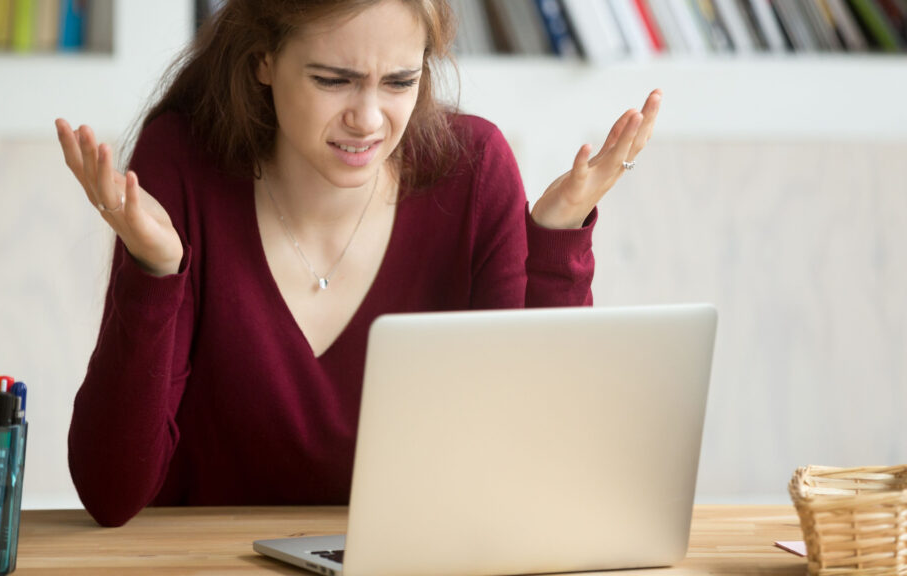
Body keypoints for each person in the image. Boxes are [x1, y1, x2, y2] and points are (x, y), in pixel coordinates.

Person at [55, 0, 660, 527]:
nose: (369, 120)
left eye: (400, 82)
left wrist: (555, 245)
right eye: (333, 80)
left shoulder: (474, 171)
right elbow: (112, 494)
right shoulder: (181, 163)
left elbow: (538, 474)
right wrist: (155, 273)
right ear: (263, 59)